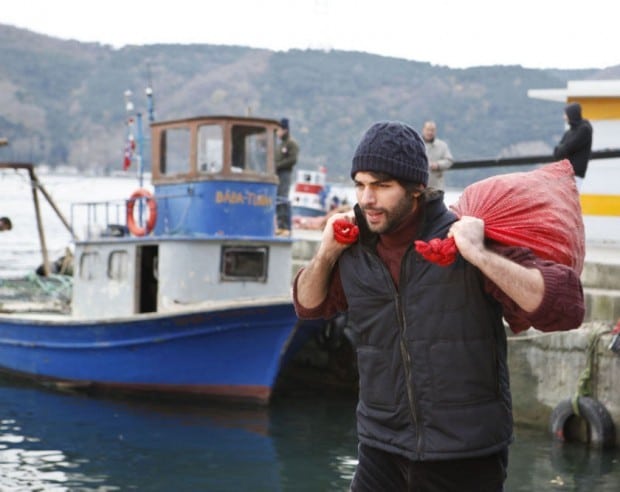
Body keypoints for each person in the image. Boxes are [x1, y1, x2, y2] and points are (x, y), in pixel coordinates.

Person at [293, 121, 584, 491]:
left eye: (381, 186)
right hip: (380, 444)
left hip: (464, 451)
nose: (367, 198)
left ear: (416, 189)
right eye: (361, 184)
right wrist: (326, 252)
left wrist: (480, 256)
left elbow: (566, 308)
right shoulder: (354, 247)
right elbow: (308, 305)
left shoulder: (463, 236)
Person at [553, 102, 593, 191]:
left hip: (575, 175)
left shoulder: (584, 130)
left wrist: (560, 149)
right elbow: (557, 152)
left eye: (566, 114)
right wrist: (560, 150)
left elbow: (567, 148)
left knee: (571, 203)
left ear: (572, 115)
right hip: (566, 174)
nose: (564, 117)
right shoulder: (570, 131)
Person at [275, 117, 299, 236]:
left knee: (282, 199)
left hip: (285, 173)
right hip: (277, 174)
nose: (277, 133)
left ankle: (285, 227)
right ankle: (280, 225)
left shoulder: (291, 144)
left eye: (279, 130)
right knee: (277, 198)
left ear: (284, 130)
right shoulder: (280, 145)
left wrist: (277, 165)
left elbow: (292, 159)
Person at [421, 120, 453, 190]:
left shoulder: (442, 145)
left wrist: (438, 165)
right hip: (420, 186)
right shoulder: (417, 144)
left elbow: (449, 161)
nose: (430, 132)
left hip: (436, 188)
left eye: (432, 130)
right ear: (423, 130)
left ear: (435, 131)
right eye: (428, 130)